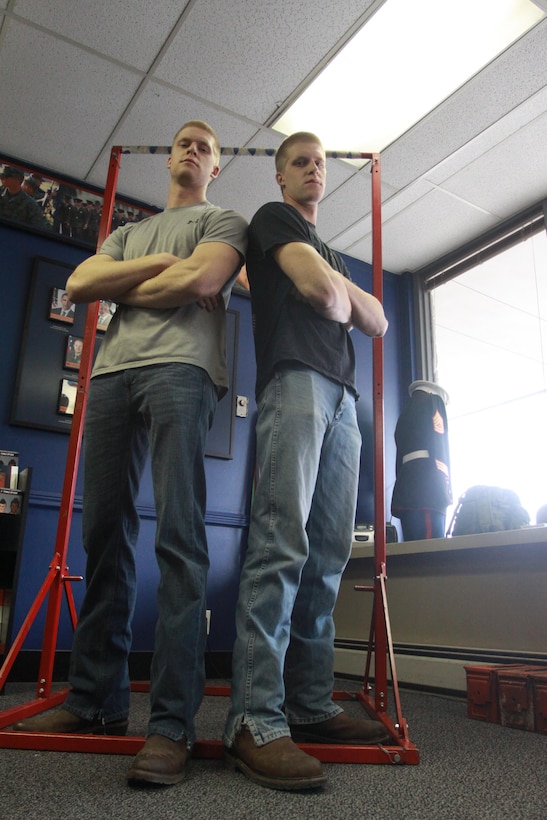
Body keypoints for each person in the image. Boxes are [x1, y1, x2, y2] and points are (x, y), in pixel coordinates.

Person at [13, 120, 248, 787]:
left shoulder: (224, 221)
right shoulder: (124, 232)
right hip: (112, 376)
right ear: (170, 157)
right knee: (102, 535)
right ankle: (95, 704)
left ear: (216, 166)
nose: (192, 150)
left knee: (178, 539)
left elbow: (200, 284)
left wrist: (126, 283)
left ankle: (170, 725)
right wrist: (148, 269)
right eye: (184, 142)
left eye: (205, 146)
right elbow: (84, 284)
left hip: (183, 372)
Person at [223, 131, 390, 791]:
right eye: (299, 161)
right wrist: (341, 296)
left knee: (326, 554)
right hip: (294, 380)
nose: (312, 169)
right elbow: (326, 300)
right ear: (280, 177)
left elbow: (375, 320)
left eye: (319, 162)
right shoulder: (274, 221)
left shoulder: (329, 250)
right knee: (280, 545)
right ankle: (254, 719)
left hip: (345, 401)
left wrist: (340, 290)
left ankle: (310, 705)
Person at [391, 380, 452, 540]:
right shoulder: (432, 402)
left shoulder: (406, 413)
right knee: (431, 551)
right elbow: (439, 444)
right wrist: (444, 487)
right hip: (429, 488)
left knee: (413, 549)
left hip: (407, 487)